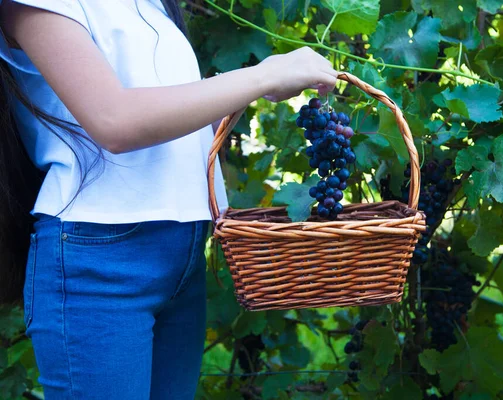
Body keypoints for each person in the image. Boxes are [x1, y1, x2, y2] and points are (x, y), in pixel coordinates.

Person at [0, 1, 338, 398]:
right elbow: (114, 121)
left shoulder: (153, 4)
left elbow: (183, 135)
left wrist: (247, 91)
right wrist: (261, 76)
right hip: (99, 262)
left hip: (184, 255)